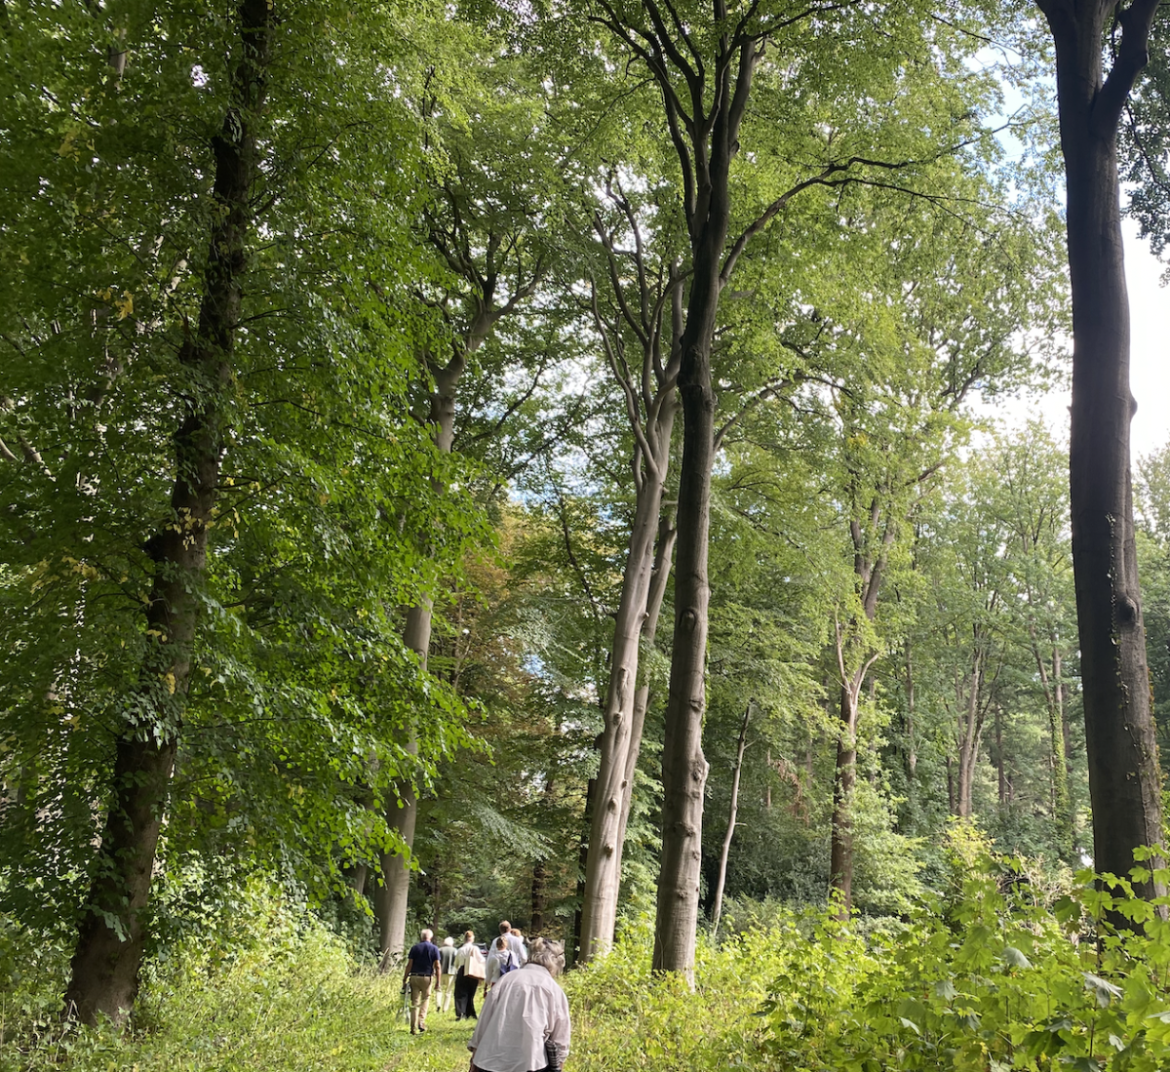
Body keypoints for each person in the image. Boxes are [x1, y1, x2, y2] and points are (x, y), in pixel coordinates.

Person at [467, 937, 570, 1072]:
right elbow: (561, 1039)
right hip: (531, 1063)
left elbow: (484, 1021)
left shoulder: (506, 980)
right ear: (556, 963)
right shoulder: (553, 989)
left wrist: (474, 1058)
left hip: (489, 1062)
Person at [402, 928, 441, 1035]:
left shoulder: (415, 948)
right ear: (430, 937)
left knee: (414, 1001)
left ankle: (413, 1028)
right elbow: (437, 966)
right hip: (427, 978)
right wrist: (438, 981)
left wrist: (404, 978)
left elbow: (409, 965)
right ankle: (421, 1022)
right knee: (425, 999)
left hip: (414, 977)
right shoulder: (434, 949)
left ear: (421, 937)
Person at [453, 929, 485, 1021]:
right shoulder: (474, 948)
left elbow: (456, 963)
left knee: (460, 993)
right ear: (472, 938)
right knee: (471, 993)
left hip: (462, 970)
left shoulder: (460, 950)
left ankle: (461, 1013)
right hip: (472, 971)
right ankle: (470, 1012)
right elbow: (481, 960)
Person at [437, 936, 458, 1013]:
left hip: (440, 972)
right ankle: (445, 1008)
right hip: (451, 973)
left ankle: (438, 1004)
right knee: (448, 991)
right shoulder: (455, 950)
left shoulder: (439, 950)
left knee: (439, 989)